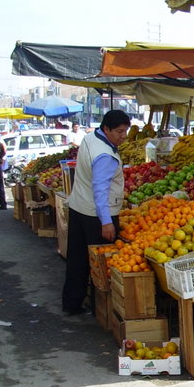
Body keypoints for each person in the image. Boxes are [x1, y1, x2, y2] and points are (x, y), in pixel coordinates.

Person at [61, 110, 131, 315]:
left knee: (77, 259)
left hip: (78, 208)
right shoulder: (105, 155)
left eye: (125, 131)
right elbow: (100, 190)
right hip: (96, 215)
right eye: (119, 131)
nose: (124, 136)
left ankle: (72, 303)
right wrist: (106, 222)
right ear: (106, 129)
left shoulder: (90, 138)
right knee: (102, 264)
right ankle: (101, 310)